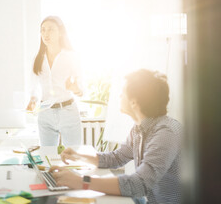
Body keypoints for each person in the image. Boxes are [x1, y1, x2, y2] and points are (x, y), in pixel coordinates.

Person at [50, 69, 182, 204]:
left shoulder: (166, 133)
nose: (119, 96)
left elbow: (140, 184)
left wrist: (81, 181)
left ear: (134, 102)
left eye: (123, 92)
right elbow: (116, 158)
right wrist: (78, 156)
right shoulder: (139, 129)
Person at [26, 16, 83, 146]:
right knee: (47, 157)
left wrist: (76, 88)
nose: (46, 34)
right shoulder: (38, 58)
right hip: (45, 113)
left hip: (68, 112)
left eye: (50, 30)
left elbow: (81, 87)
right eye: (43, 30)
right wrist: (33, 99)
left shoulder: (71, 56)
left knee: (73, 157)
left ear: (60, 32)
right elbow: (33, 84)